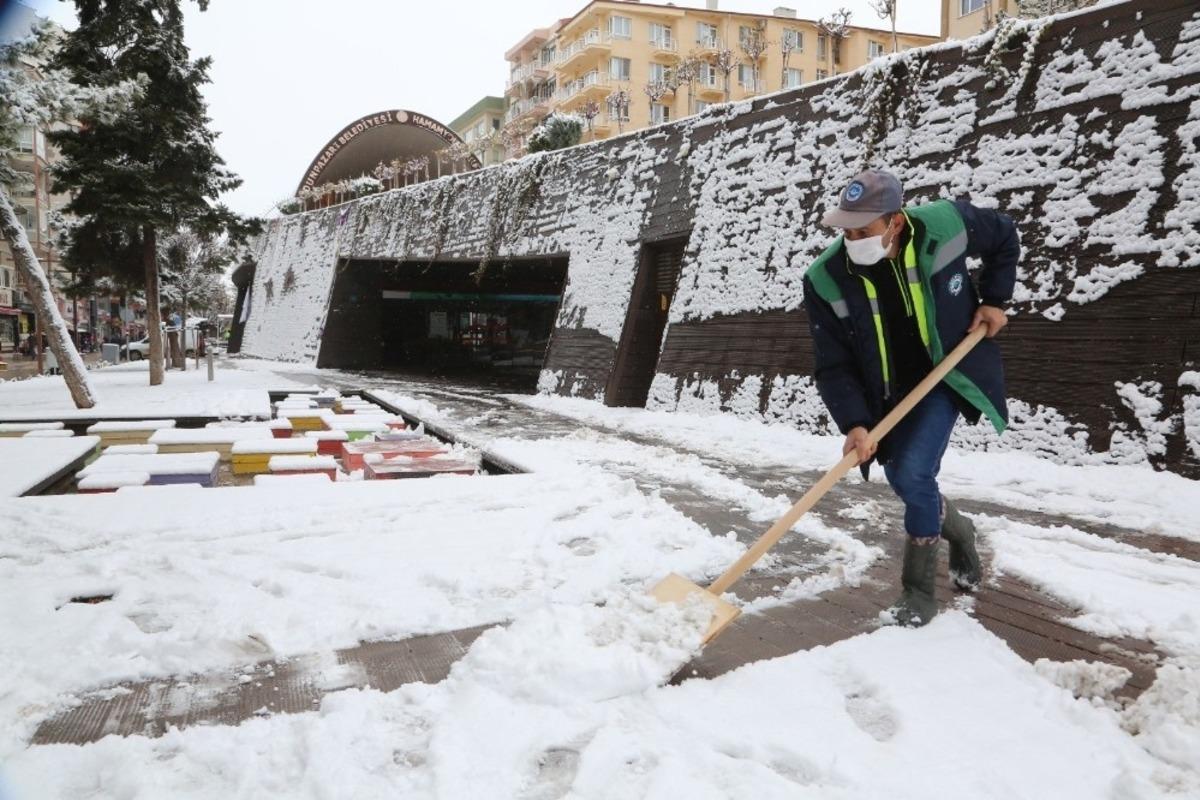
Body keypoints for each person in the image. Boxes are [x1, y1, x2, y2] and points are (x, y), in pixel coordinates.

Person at [803, 169, 1020, 627]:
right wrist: (854, 423)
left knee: (912, 473)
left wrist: (995, 299)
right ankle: (959, 529)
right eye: (846, 231)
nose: (852, 240)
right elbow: (833, 363)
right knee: (906, 480)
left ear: (896, 222)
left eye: (863, 230)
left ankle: (917, 593)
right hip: (886, 392)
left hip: (946, 373)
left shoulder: (945, 225)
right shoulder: (826, 278)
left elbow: (1004, 235)